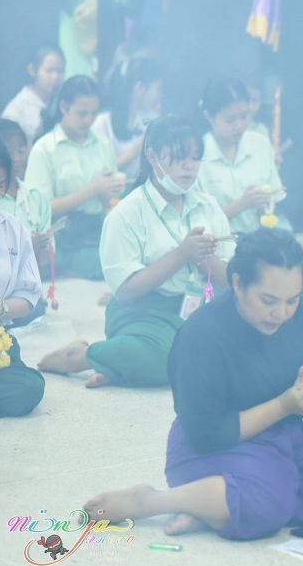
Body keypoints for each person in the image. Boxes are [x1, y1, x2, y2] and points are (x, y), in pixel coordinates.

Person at [83, 229, 303, 540]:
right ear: (237, 283)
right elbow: (207, 434)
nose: (281, 313)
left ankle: (214, 506)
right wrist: (284, 405)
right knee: (269, 502)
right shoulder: (202, 335)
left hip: (283, 440)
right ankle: (151, 500)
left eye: (292, 300)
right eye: (268, 300)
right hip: (213, 447)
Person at [38, 116, 234, 388]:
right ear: (152, 156)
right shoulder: (127, 213)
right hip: (144, 312)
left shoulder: (209, 207)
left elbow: (231, 280)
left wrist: (204, 258)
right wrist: (182, 254)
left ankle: (116, 367)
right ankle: (83, 355)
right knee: (167, 359)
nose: (189, 166)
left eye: (195, 157)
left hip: (200, 306)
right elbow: (125, 291)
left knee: (241, 347)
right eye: (179, 157)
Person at [24, 75, 123, 280]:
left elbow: (111, 201)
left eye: (94, 113)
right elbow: (40, 209)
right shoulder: (45, 149)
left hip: (96, 227)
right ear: (64, 107)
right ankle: (64, 268)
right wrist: (93, 190)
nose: (89, 120)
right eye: (82, 113)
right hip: (61, 234)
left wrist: (110, 200)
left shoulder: (103, 145)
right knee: (103, 265)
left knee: (127, 257)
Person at [0, 134, 45, 418]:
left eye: (1, 185)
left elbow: (29, 295)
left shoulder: (13, 228)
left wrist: (1, 308)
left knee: (28, 387)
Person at [194, 78, 285, 234]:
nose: (239, 126)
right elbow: (195, 223)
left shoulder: (260, 145)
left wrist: (264, 204)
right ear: (209, 116)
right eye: (229, 120)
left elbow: (275, 199)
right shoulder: (196, 155)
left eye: (244, 116)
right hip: (215, 244)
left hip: (255, 242)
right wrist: (242, 204)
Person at [0, 119, 53, 271]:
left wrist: (39, 246)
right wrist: (24, 247)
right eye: (9, 152)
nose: (16, 158)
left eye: (21, 150)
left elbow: (46, 258)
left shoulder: (36, 196)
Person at [90, 56, 164, 181]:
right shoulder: (101, 124)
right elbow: (96, 174)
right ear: (140, 88)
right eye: (158, 88)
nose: (160, 95)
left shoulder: (153, 120)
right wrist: (135, 150)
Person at [1, 44, 65, 141]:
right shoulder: (16, 111)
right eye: (49, 70)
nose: (55, 77)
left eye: (60, 71)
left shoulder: (63, 102)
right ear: (32, 70)